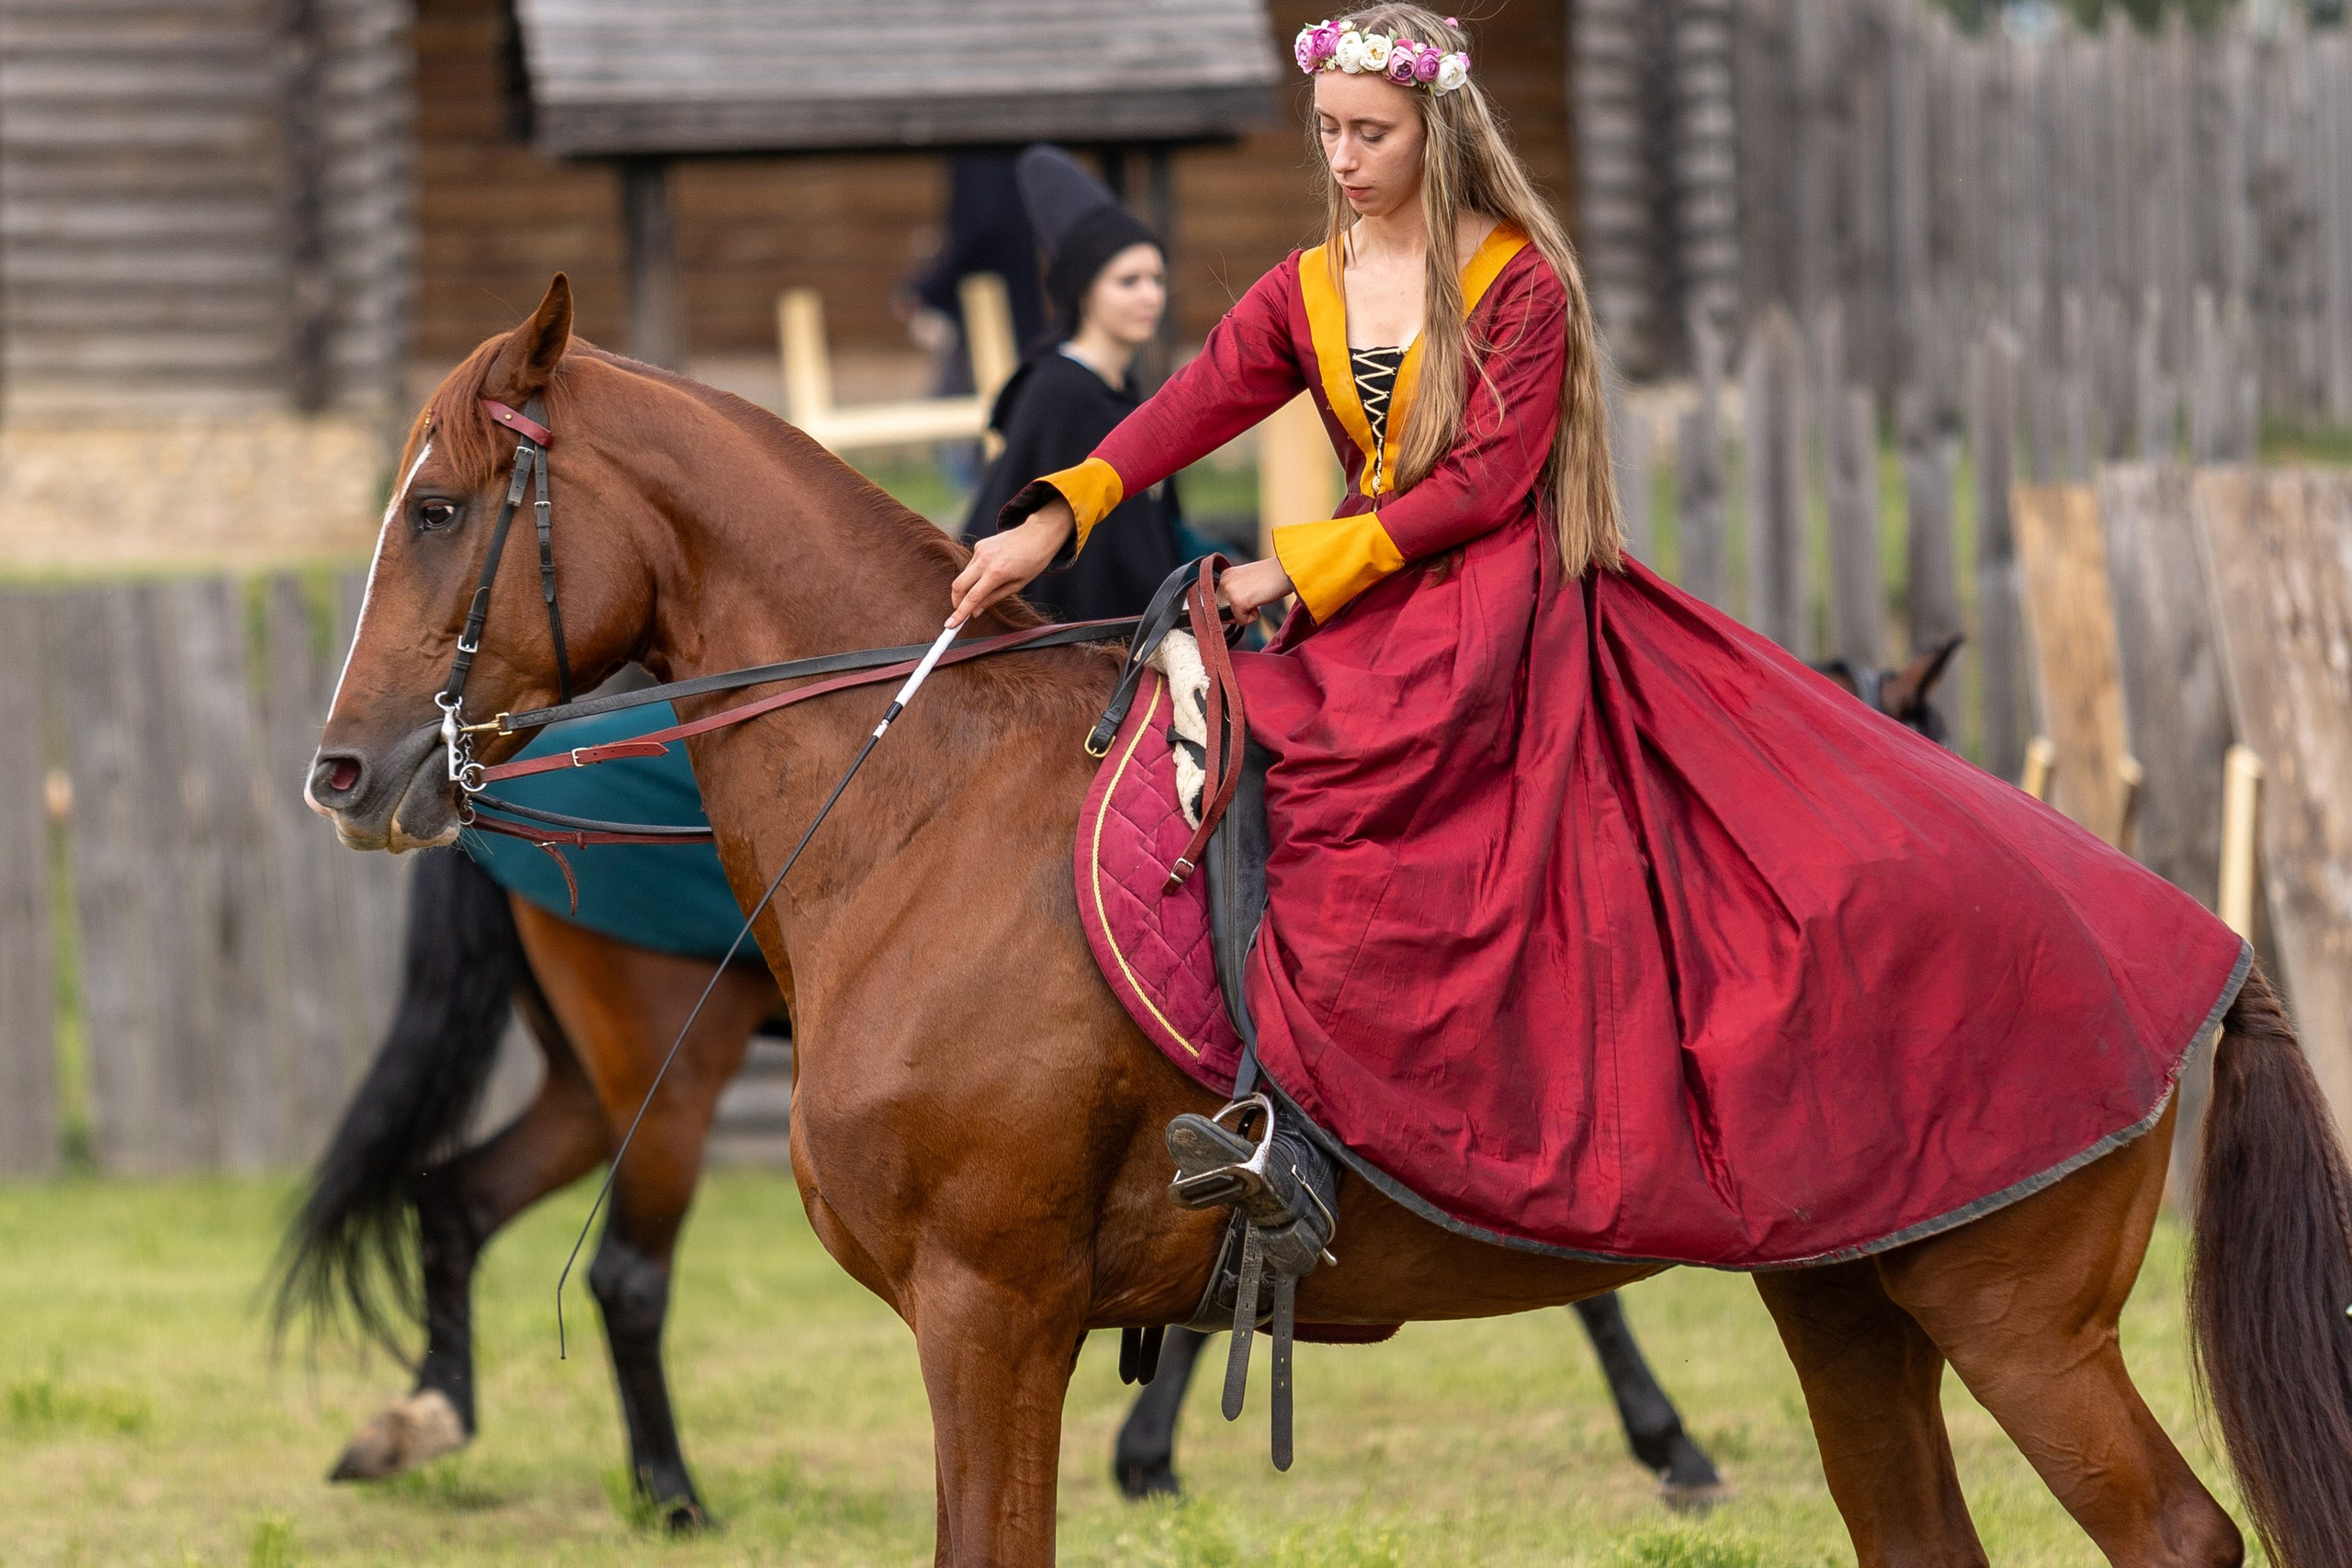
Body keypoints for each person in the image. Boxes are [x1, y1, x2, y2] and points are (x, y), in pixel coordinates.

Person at [943, 6, 2244, 1270]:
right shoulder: (1308, 289)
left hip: (1498, 610)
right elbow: (1187, 405)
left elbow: (1480, 488)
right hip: (1376, 612)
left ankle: (1333, 1138)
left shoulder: (1522, 283)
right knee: (1251, 769)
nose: (1342, 160)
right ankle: (1277, 1107)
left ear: (1435, 135)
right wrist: (1053, 522)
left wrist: (1291, 566)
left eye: (1370, 134)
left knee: (1365, 824)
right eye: (1327, 131)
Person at [958, 145, 1191, 623]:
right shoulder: (1060, 392)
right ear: (1083, 290)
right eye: (1128, 281)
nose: (1150, 295)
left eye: (1157, 278)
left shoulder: (1120, 387)